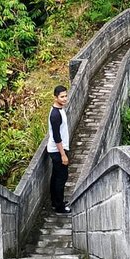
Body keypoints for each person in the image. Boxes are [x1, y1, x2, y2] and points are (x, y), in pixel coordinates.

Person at [47, 84, 70, 213]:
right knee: (61, 177)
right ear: (55, 97)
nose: (65, 99)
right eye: (62, 97)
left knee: (56, 176)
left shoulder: (59, 109)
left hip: (57, 149)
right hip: (57, 150)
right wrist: (63, 155)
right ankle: (59, 207)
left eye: (66, 96)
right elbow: (56, 136)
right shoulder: (55, 115)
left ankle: (56, 202)